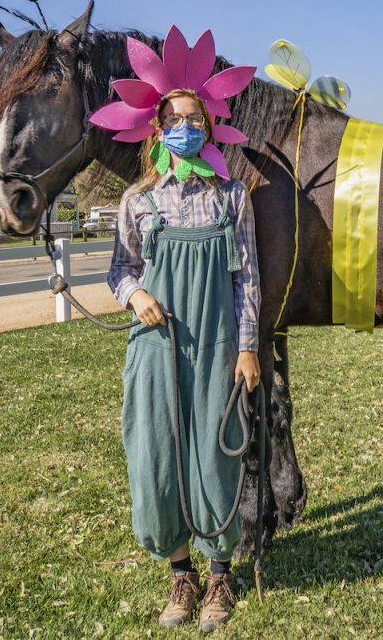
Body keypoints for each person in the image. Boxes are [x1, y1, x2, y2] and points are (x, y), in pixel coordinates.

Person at [107, 87, 261, 632]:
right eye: (172, 118)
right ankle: (181, 574)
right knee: (156, 452)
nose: (183, 125)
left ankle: (219, 574)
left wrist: (247, 348)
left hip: (219, 343)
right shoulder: (137, 201)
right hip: (155, 346)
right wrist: (136, 296)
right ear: (156, 130)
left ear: (209, 128)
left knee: (213, 455)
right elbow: (119, 269)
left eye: (193, 117)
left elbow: (247, 280)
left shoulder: (231, 196)